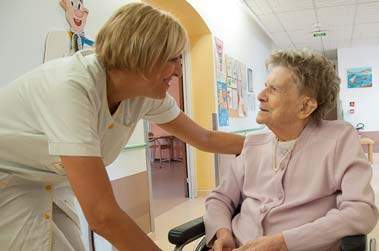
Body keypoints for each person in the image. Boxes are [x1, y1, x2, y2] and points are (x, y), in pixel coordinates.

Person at [0, 3, 244, 251]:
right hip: (8, 179)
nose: (178, 72)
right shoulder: (72, 87)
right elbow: (102, 215)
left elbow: (204, 137)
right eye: (173, 60)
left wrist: (272, 143)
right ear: (143, 55)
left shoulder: (144, 93)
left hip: (48, 180)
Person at [204, 49, 378, 251]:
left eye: (274, 89)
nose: (260, 96)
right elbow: (220, 198)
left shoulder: (339, 140)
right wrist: (223, 233)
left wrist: (282, 243)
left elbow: (361, 211)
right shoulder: (253, 144)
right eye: (265, 87)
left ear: (305, 106)